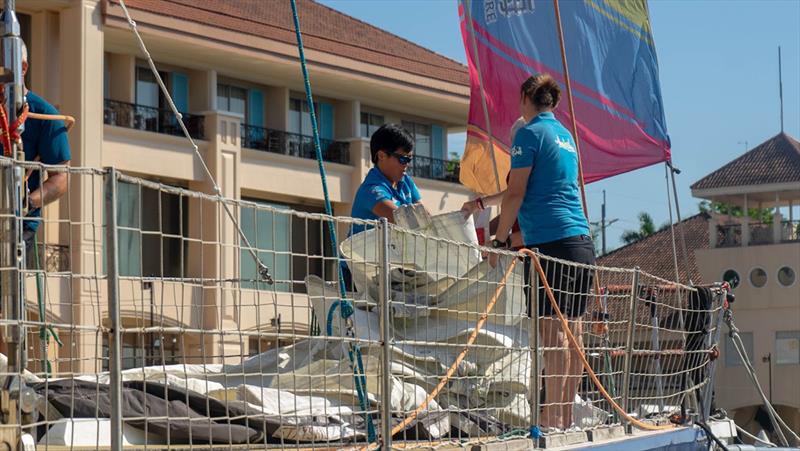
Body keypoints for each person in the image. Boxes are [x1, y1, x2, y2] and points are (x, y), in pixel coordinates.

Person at [489, 73, 595, 430]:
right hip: (580, 242)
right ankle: (564, 418)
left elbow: (516, 192)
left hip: (550, 245)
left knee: (553, 337)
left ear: (525, 99)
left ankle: (551, 419)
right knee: (573, 334)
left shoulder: (529, 134)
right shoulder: (566, 136)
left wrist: (500, 240)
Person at [4, 41, 71, 267]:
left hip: (19, 225)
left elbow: (60, 179)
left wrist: (26, 202)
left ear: (22, 68)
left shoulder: (45, 116)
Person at [342, 123, 421, 288]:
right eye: (402, 159)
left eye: (409, 159)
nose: (407, 164)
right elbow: (401, 218)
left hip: (388, 270)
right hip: (358, 272)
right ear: (381, 156)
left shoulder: (405, 181)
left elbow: (424, 215)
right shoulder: (371, 189)